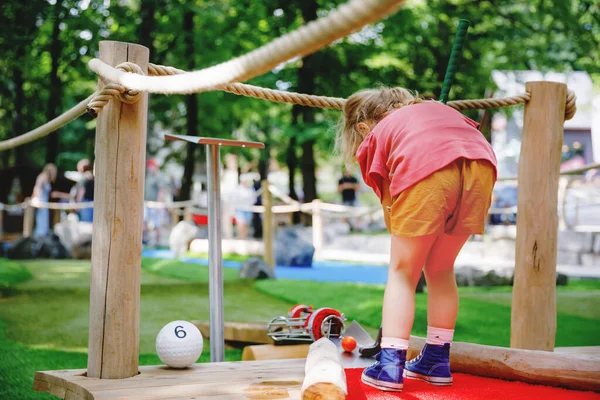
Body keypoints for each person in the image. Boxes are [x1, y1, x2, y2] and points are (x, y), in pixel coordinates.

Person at [336, 87, 496, 392]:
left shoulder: (378, 134)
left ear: (362, 127)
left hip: (427, 163)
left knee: (402, 271)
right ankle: (436, 361)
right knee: (440, 268)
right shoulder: (430, 111)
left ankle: (390, 365)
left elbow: (390, 209)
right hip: (481, 163)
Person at [32, 164, 58, 238]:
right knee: (41, 223)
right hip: (41, 204)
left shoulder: (47, 179)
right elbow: (37, 188)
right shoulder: (42, 176)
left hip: (45, 204)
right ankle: (38, 239)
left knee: (43, 223)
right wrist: (38, 199)